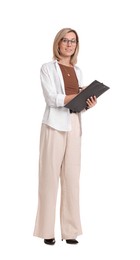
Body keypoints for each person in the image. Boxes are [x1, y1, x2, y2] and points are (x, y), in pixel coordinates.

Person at [33, 27, 97, 245]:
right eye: (65, 40)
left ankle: (70, 232)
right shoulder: (47, 68)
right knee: (49, 178)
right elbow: (52, 98)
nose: (69, 45)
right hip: (53, 125)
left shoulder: (78, 71)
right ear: (58, 43)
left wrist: (87, 102)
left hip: (74, 125)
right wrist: (75, 95)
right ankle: (46, 231)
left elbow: (75, 103)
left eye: (73, 41)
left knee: (72, 179)